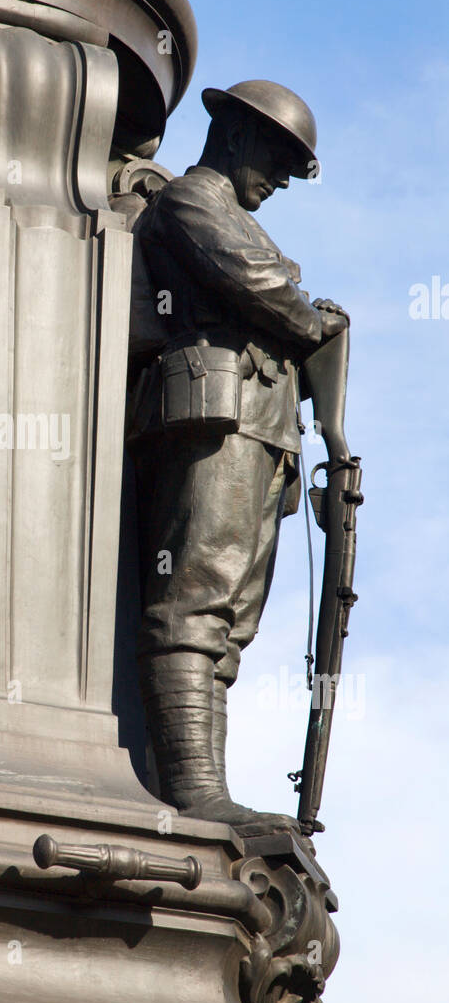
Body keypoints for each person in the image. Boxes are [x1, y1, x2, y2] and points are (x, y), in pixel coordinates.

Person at [133, 80, 348, 828]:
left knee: (230, 620)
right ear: (233, 134)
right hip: (211, 419)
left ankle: (203, 787)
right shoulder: (193, 203)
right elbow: (262, 288)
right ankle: (194, 792)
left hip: (260, 429)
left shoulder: (237, 218)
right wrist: (311, 317)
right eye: (278, 156)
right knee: (194, 601)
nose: (284, 177)